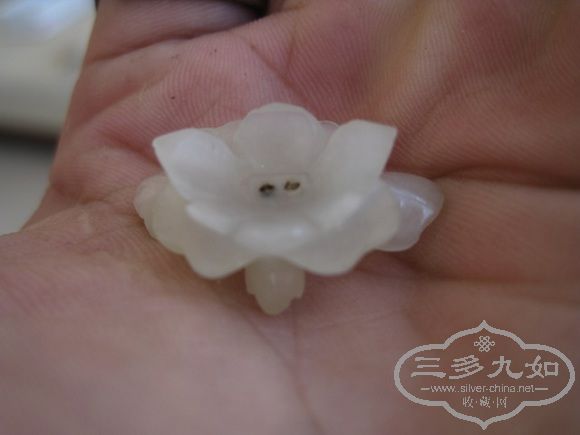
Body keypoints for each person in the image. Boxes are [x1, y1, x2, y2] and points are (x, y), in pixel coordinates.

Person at [0, 1, 578, 433]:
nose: (277, 189)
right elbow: (161, 199)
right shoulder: (180, 197)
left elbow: (403, 206)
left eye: (286, 186)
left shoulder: (369, 189)